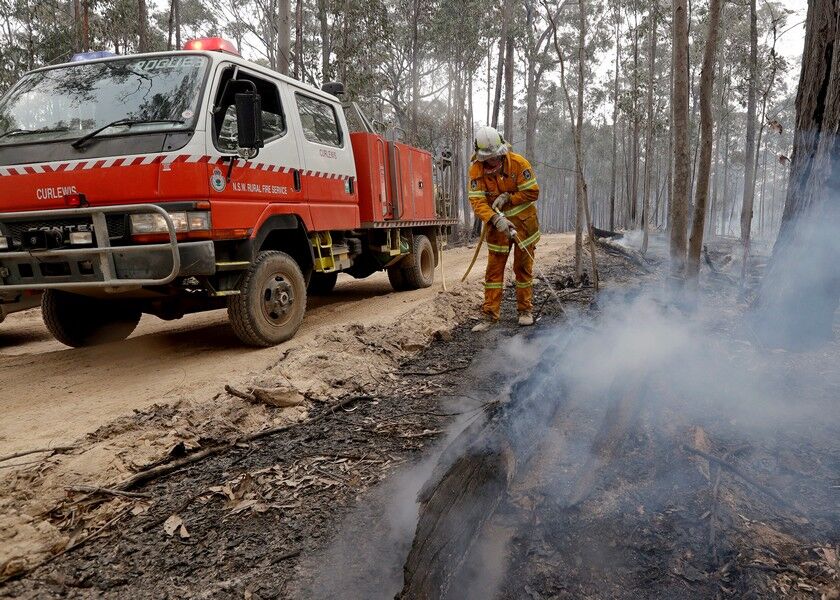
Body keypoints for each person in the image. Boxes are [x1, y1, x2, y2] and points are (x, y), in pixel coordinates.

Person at [467, 126, 540, 331]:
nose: (494, 162)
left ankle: (525, 310)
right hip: (497, 230)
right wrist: (494, 219)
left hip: (524, 227)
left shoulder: (519, 164)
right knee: (493, 273)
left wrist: (509, 197)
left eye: (497, 157)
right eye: (489, 158)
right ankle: (490, 315)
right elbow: (477, 201)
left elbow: (533, 193)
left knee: (523, 269)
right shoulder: (476, 171)